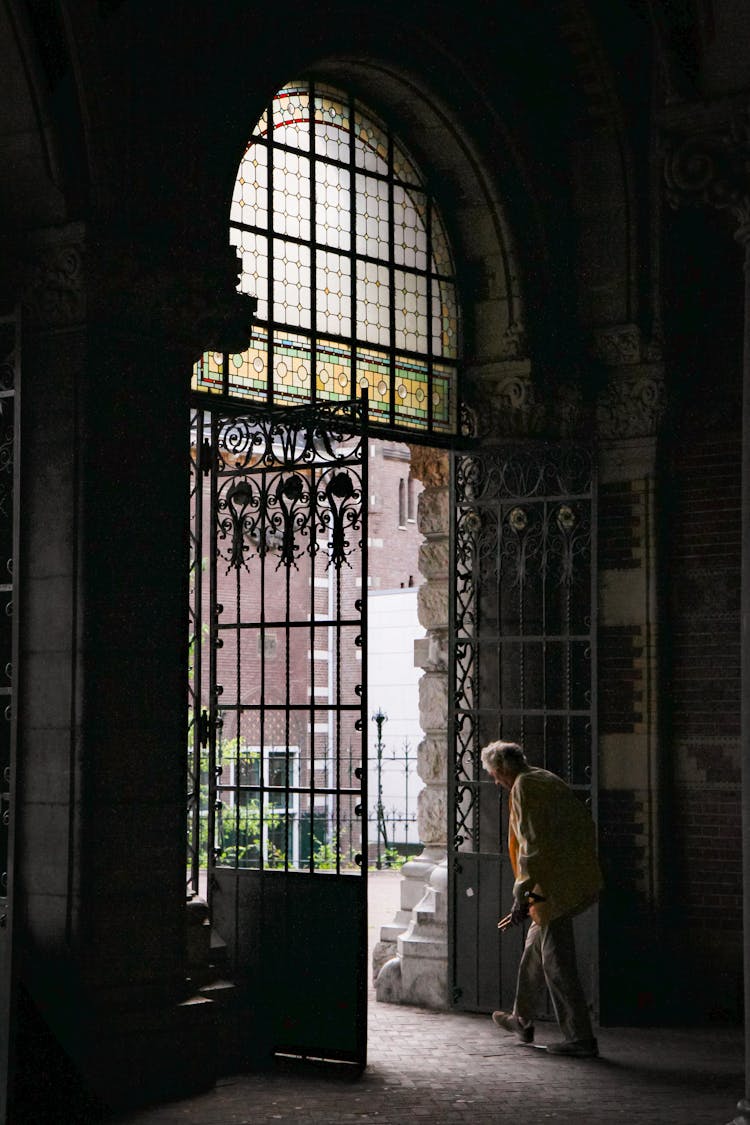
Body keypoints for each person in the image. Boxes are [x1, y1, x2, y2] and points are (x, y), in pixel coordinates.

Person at [481, 739, 603, 1058]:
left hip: (553, 887)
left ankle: (581, 1038)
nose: (496, 782)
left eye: (495, 775)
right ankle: (521, 1018)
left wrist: (522, 896)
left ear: (504, 769)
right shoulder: (544, 778)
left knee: (556, 963)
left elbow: (533, 847)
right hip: (566, 879)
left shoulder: (523, 787)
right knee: (535, 952)